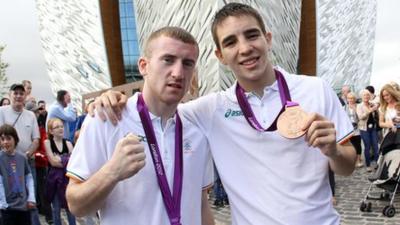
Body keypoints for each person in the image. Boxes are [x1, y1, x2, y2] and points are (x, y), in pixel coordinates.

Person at [93, 3, 356, 225]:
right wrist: (114, 99)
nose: (244, 48)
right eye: (231, 42)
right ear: (220, 55)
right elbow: (155, 107)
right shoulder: (210, 109)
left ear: (268, 38)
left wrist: (333, 150)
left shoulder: (315, 88)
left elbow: (348, 166)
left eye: (252, 35)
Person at [65, 27, 214, 225]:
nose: (178, 73)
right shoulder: (106, 119)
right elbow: (76, 206)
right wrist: (112, 172)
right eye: (168, 60)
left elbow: (201, 204)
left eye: (187, 63)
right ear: (144, 66)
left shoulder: (197, 130)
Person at [0, 83, 41, 225]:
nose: (18, 96)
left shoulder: (31, 115)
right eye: (15, 93)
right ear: (10, 95)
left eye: (21, 93)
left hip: (26, 161)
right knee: (8, 200)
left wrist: (27, 155)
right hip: (5, 162)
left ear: (25, 96)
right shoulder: (2, 111)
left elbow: (36, 139)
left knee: (30, 198)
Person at [0, 124, 36, 225]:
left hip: (23, 207)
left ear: (15, 139)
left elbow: (29, 178)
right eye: (2, 139)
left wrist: (31, 198)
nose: (5, 142)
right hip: (7, 208)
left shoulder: (22, 157)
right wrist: (2, 203)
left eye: (8, 138)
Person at [45, 118, 76, 225]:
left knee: (70, 207)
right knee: (56, 208)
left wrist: (60, 159)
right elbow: (52, 162)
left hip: (66, 180)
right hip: (54, 180)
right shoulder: (47, 142)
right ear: (51, 131)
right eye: (56, 127)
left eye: (61, 126)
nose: (60, 128)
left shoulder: (68, 143)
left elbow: (73, 162)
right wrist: (66, 159)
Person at [345, 92, 363, 167]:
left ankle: (358, 160)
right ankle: (353, 160)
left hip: (357, 128)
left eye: (352, 98)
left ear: (355, 99)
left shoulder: (358, 106)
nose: (351, 100)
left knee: (358, 144)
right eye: (349, 98)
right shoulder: (344, 107)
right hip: (349, 129)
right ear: (347, 99)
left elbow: (361, 117)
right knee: (351, 145)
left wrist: (355, 109)